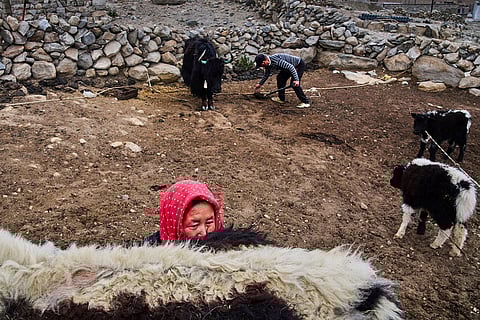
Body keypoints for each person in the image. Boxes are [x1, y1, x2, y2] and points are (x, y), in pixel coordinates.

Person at [144, 180, 224, 244]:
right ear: (173, 224)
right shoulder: (146, 258)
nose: (203, 233)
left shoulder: (230, 252)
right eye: (194, 225)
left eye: (209, 223)